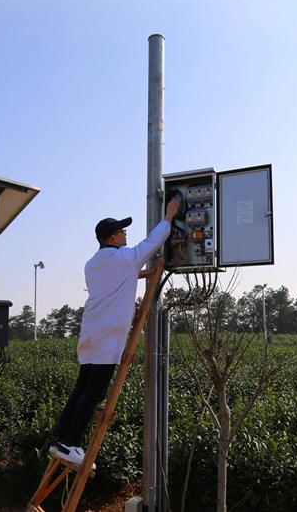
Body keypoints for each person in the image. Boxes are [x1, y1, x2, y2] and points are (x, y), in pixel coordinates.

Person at [49, 198, 180, 466]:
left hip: (90, 331)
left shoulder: (91, 264)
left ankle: (60, 439)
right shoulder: (126, 259)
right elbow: (152, 242)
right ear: (112, 238)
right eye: (122, 232)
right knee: (95, 391)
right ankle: (71, 443)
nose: (125, 235)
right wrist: (168, 217)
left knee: (82, 387)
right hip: (108, 335)